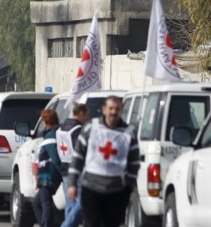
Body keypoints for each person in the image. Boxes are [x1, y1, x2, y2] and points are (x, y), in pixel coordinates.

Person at [67, 96, 139, 227]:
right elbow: (78, 157)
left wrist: (129, 186)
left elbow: (134, 163)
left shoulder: (129, 132)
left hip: (117, 191)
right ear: (104, 109)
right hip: (91, 188)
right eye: (110, 108)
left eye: (117, 109)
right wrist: (72, 183)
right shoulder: (91, 127)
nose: (113, 112)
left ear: (121, 111)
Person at [57, 103, 90, 227]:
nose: (88, 118)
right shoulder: (78, 130)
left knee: (70, 203)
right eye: (87, 115)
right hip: (77, 170)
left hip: (64, 169)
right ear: (80, 113)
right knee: (84, 201)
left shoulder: (61, 128)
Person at [32, 109, 62, 227]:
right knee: (36, 203)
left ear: (46, 121)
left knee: (45, 203)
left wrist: (63, 173)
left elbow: (55, 158)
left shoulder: (50, 136)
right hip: (45, 175)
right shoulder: (52, 134)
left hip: (48, 176)